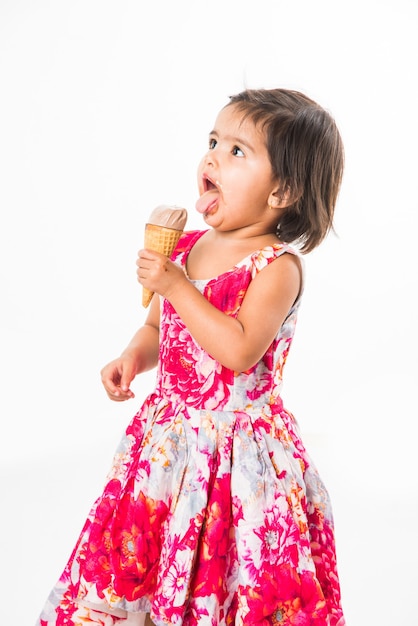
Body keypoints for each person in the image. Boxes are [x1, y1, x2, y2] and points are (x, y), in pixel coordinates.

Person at [37, 88, 345, 626]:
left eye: (236, 151)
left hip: (236, 458)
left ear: (283, 191)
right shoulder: (187, 247)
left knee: (229, 573)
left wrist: (178, 286)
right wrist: (135, 353)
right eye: (213, 141)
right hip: (167, 448)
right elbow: (161, 326)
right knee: (149, 561)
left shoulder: (275, 268)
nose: (212, 157)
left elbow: (239, 349)